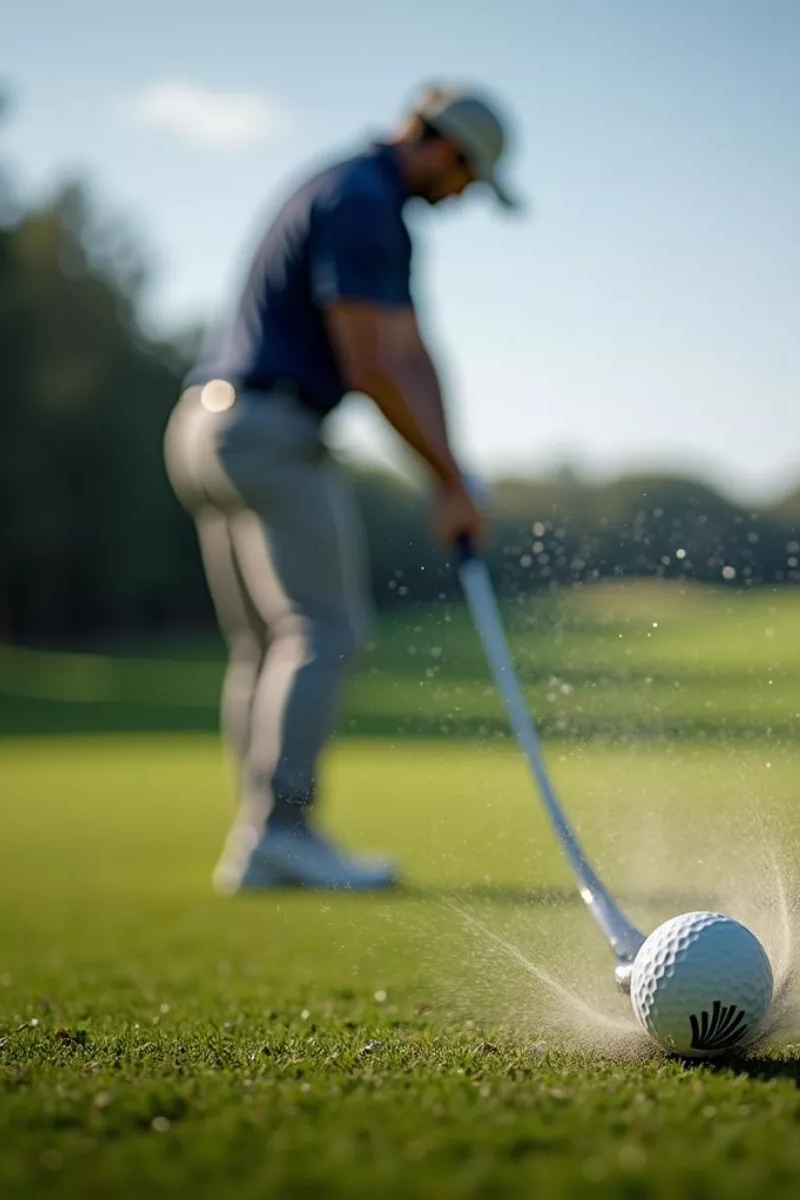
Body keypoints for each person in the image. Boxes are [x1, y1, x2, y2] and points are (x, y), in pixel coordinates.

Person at [163, 83, 519, 893]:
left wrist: (452, 475)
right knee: (324, 629)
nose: (462, 198)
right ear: (447, 151)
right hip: (267, 431)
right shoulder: (368, 205)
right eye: (468, 181)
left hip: (201, 427)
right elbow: (372, 365)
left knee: (264, 644)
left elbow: (413, 354)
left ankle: (258, 842)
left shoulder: (347, 187)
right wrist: (448, 480)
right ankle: (280, 832)